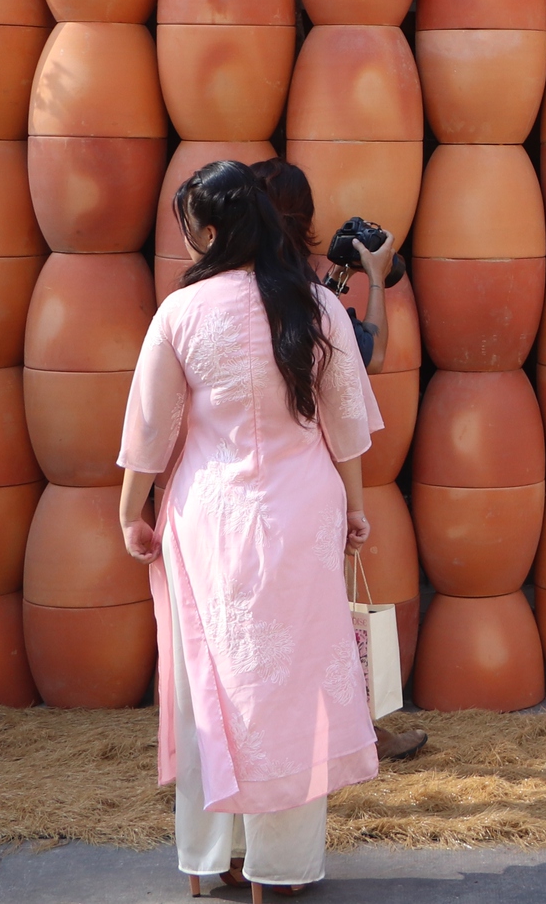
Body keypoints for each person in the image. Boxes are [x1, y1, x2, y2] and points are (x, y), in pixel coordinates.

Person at [120, 161, 379, 899]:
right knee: (290, 692)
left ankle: (211, 861)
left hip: (211, 517)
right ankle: (280, 870)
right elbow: (348, 427)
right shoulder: (317, 306)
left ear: (206, 229)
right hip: (301, 512)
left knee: (212, 685)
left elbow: (149, 428)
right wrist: (356, 512)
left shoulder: (183, 312)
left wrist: (129, 508)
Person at [244, 159, 425, 764]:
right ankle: (352, 738)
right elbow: (366, 355)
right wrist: (375, 279)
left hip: (232, 495)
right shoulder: (311, 301)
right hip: (303, 487)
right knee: (320, 623)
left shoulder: (210, 295)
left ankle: (272, 747)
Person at [249, 160, 392, 369]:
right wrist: (376, 277)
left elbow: (313, 320)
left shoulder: (238, 267)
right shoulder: (288, 275)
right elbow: (373, 358)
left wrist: (336, 278)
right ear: (305, 216)